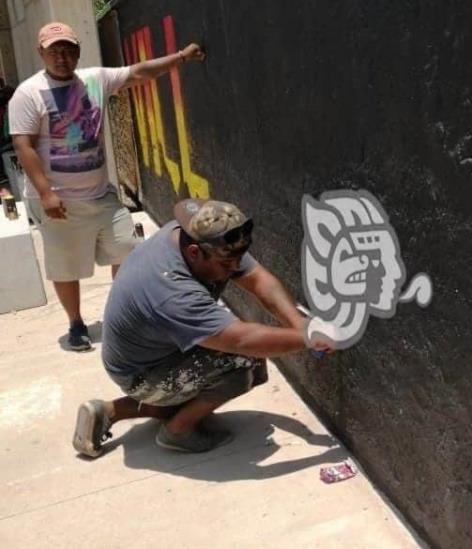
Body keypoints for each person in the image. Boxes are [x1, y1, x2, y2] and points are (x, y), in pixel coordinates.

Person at [72, 198, 337, 457]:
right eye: (225, 264)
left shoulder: (197, 234)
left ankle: (110, 411)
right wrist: (307, 337)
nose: (235, 267)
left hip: (146, 356)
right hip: (141, 373)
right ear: (195, 253)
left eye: (238, 258)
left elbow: (257, 278)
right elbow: (241, 341)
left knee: (212, 375)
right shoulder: (173, 292)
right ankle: (177, 431)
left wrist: (298, 321)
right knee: (245, 361)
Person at [9, 22, 205, 351]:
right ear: (40, 52)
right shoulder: (27, 93)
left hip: (102, 195)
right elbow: (24, 146)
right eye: (54, 50)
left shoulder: (94, 79)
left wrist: (181, 57)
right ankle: (75, 324)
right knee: (66, 267)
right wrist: (46, 193)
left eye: (68, 49)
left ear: (78, 51)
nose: (62, 56)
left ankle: (122, 315)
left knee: (129, 252)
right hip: (58, 202)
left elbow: (140, 73)